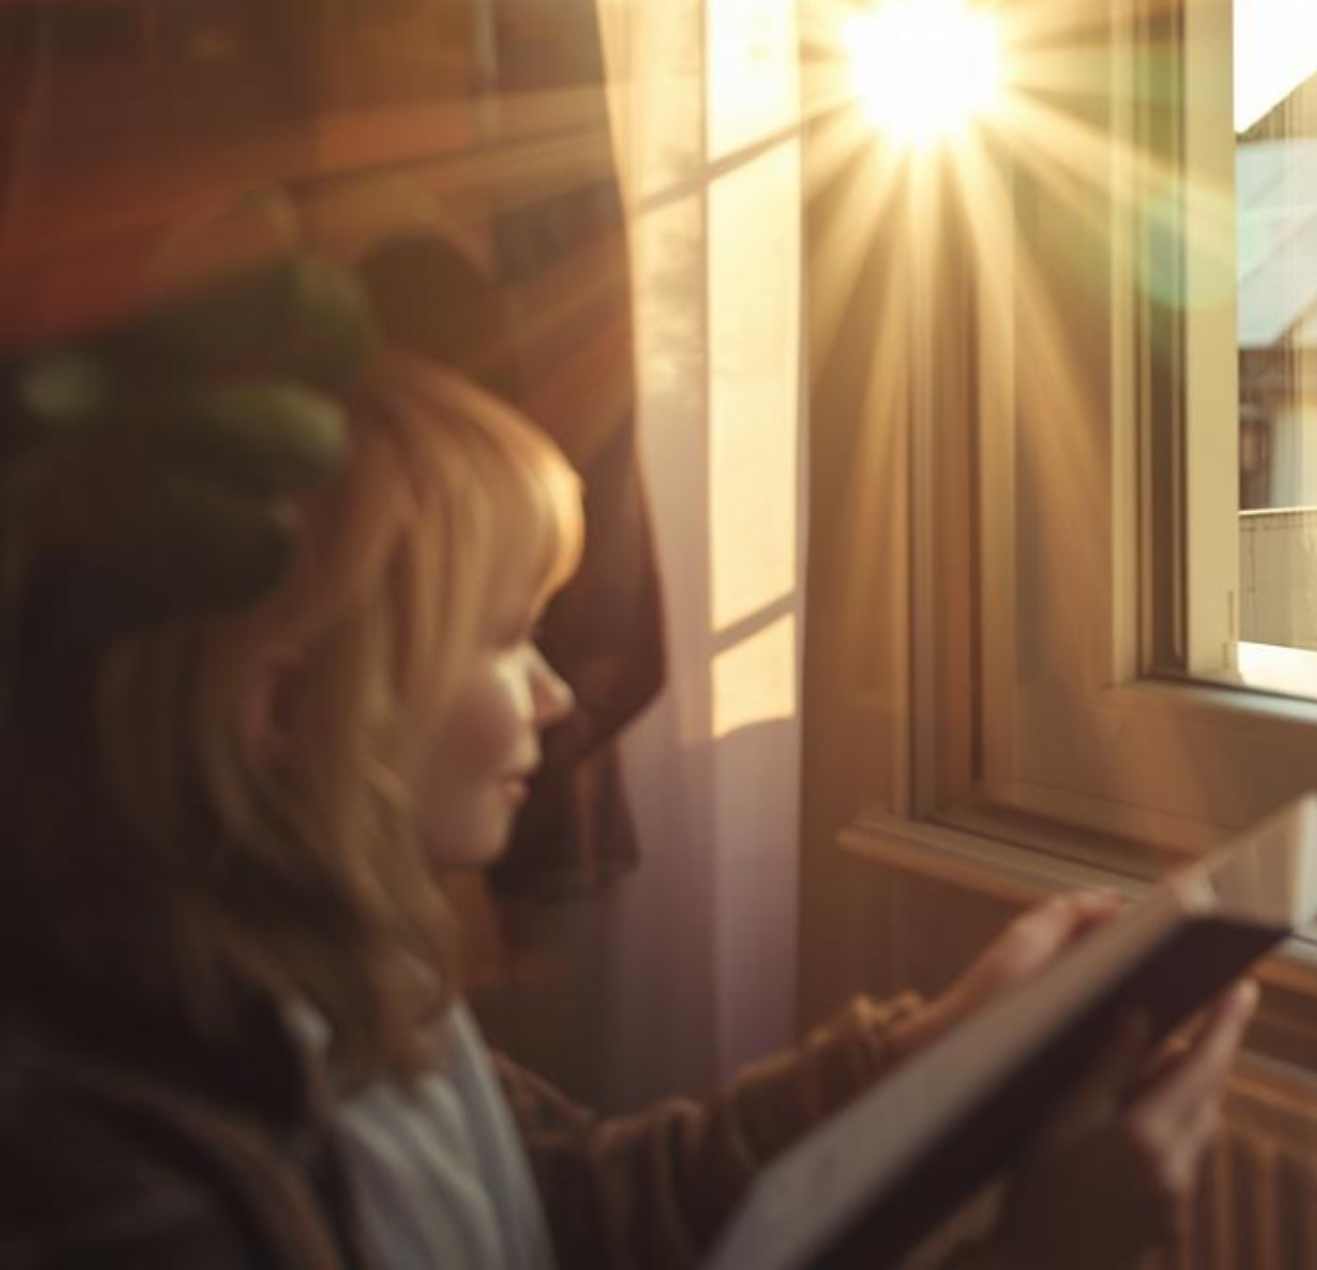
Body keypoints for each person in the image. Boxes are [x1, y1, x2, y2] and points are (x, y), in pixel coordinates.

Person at [0, 338, 1254, 1266]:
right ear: (285, 714)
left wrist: (931, 1054)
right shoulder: (119, 1184)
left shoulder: (368, 1005)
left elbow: (589, 1211)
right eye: (504, 637)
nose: (553, 697)